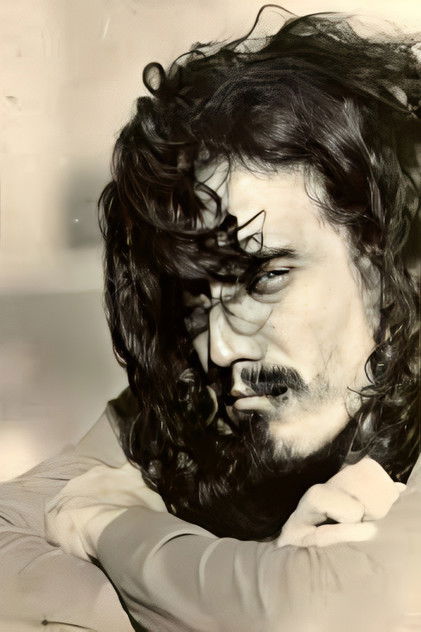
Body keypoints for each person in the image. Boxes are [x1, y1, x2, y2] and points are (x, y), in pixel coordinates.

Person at [0, 6, 420, 632]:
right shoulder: (198, 411)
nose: (220, 350)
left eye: (267, 278)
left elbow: (335, 610)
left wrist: (115, 528)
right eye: (198, 298)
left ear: (384, 258)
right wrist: (241, 588)